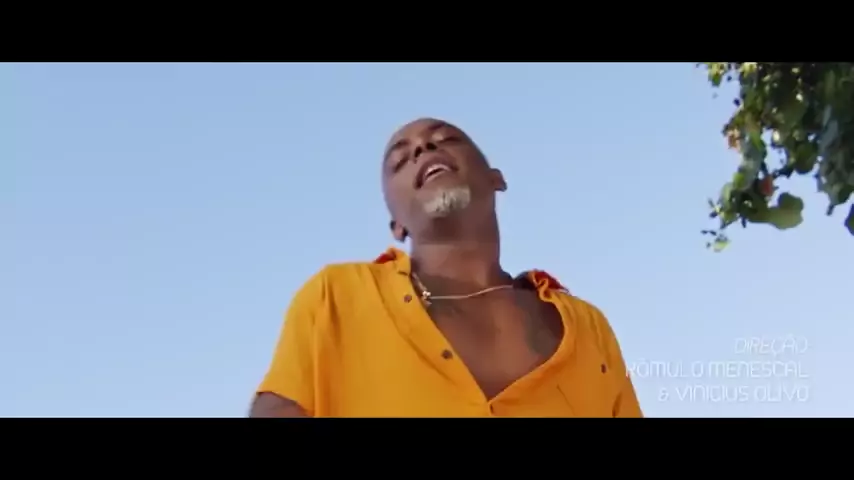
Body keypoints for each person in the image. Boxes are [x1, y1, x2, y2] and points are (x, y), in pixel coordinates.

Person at [250, 118, 643, 417]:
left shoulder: (588, 327)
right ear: (396, 224)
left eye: (446, 139)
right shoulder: (337, 298)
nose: (422, 148)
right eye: (400, 161)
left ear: (496, 179)